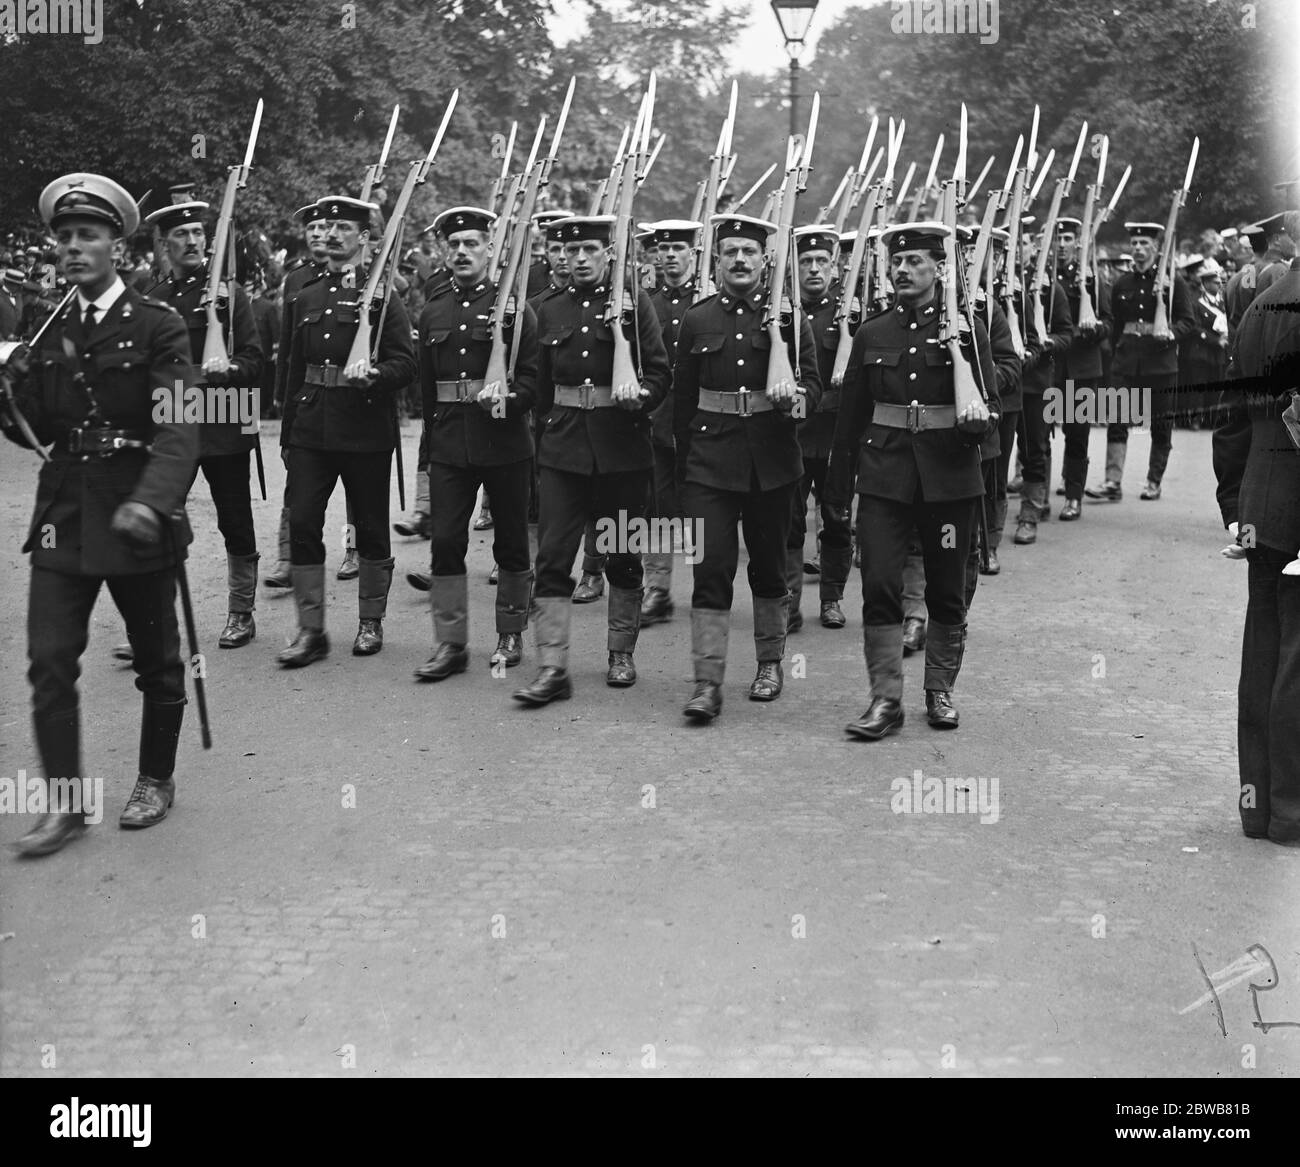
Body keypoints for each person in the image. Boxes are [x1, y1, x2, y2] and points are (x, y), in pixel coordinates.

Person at [1, 173, 197, 855]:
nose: (73, 248)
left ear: (118, 243)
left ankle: (155, 778)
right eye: (64, 237)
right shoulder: (46, 327)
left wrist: (153, 499)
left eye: (88, 235)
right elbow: (37, 427)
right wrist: (8, 391)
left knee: (158, 661)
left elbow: (180, 427)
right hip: (64, 509)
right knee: (49, 659)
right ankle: (66, 804)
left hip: (135, 506)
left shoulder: (158, 325)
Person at [828, 221, 996, 740]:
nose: (902, 270)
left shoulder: (968, 328)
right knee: (879, 583)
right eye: (897, 262)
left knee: (947, 589)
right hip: (884, 477)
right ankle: (885, 700)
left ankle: (939, 690)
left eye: (916, 262)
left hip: (948, 479)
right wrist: (838, 490)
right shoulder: (873, 333)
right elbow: (851, 416)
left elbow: (986, 411)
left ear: (940, 269)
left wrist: (960, 351)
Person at [512, 214, 671, 706]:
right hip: (562, 453)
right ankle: (553, 667)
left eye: (589, 251)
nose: (578, 259)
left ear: (607, 255)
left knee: (622, 555)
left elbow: (661, 374)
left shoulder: (631, 305)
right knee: (553, 558)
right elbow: (538, 389)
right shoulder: (546, 309)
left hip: (622, 451)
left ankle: (620, 653)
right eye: (570, 250)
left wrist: (640, 395)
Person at [672, 214, 822, 722]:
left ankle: (769, 664)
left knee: (767, 567)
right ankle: (707, 682)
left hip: (772, 463)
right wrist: (681, 470)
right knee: (710, 568)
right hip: (709, 463)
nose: (740, 260)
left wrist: (794, 398)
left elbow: (815, 393)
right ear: (716, 261)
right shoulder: (697, 319)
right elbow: (682, 402)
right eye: (730, 251)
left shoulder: (789, 320)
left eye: (749, 252)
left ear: (765, 261)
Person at [277, 195, 417, 666]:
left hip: (364, 428)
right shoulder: (305, 293)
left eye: (344, 228)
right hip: (312, 428)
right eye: (327, 226)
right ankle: (310, 630)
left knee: (372, 528)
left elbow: (406, 363)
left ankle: (370, 622)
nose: (332, 234)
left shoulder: (383, 297)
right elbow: (295, 368)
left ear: (364, 238)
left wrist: (376, 375)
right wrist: (286, 433)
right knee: (301, 525)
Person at [411, 206, 539, 680]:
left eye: (472, 243)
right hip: (449, 444)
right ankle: (450, 643)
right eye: (455, 245)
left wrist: (506, 399)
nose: (462, 251)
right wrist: (427, 451)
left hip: (504, 444)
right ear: (445, 252)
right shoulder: (433, 310)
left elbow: (533, 384)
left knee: (510, 544)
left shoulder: (515, 308)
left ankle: (510, 634)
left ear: (490, 250)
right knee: (445, 542)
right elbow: (427, 390)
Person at [143, 199, 265, 647]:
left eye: (198, 233)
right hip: (172, 417)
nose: (193, 241)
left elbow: (254, 361)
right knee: (160, 517)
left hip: (224, 420)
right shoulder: (152, 299)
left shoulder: (231, 297)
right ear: (164, 244)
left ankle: (241, 614)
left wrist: (227, 370)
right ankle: (154, 617)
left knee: (234, 519)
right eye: (182, 234)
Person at [1213, 235, 1300, 846]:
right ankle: (1292, 811)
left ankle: (1260, 806)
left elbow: (1233, 415)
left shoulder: (1260, 304)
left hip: (1264, 505)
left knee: (1263, 652)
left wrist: (1235, 506)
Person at [1085, 221, 1194, 502]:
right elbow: (1117, 324)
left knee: (1160, 425)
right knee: (1118, 421)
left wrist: (1170, 334)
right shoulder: (1123, 282)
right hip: (1127, 362)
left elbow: (1187, 322)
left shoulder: (1172, 282)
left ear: (1156, 248)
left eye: (1144, 243)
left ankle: (1153, 481)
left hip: (1161, 364)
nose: (1138, 249)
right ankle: (1112, 481)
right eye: (1134, 244)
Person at [786, 224, 854, 632]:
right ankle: (789, 598)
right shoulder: (781, 316)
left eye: (821, 261)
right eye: (806, 261)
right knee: (789, 520)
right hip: (792, 435)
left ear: (834, 268)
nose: (813, 268)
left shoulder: (849, 318)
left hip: (834, 436)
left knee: (836, 518)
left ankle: (831, 597)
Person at [642, 218, 702, 627]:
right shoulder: (647, 303)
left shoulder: (711, 304)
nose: (669, 256)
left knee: (703, 508)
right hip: (658, 419)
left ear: (694, 254)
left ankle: (706, 588)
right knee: (655, 508)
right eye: (663, 250)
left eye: (678, 249)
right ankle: (657, 589)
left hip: (703, 422)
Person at [265, 205, 329, 589]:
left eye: (327, 228)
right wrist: (281, 398)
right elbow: (288, 344)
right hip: (305, 393)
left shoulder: (365, 275)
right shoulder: (295, 280)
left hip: (344, 394)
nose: (320, 235)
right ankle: (287, 557)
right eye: (313, 229)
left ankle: (352, 548)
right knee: (297, 483)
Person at [1053, 216, 1111, 522]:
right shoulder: (1043, 278)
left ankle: (1073, 495)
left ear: (1078, 243)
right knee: (1039, 432)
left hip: (1081, 367)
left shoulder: (1092, 280)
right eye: (1057, 240)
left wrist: (1092, 329)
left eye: (1067, 240)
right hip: (1050, 365)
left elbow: (1108, 323)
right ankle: (1036, 494)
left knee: (1077, 433)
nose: (1061, 246)